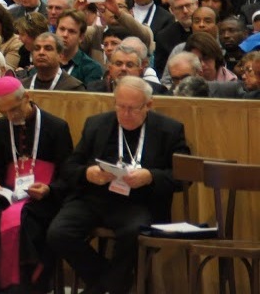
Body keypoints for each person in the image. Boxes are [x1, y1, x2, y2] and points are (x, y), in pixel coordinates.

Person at [47, 77, 189, 293]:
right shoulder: (97, 124)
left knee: (133, 233)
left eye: (132, 108)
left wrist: (151, 176)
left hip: (139, 202)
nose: (125, 114)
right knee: (58, 233)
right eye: (120, 107)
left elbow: (183, 178)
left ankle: (102, 287)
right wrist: (88, 173)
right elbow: (69, 167)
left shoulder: (169, 130)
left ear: (149, 105)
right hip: (94, 198)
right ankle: (111, 283)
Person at [0, 76, 73, 292]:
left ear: (27, 97)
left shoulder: (56, 127)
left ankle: (23, 285)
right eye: (4, 112)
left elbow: (68, 176)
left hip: (42, 198)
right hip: (9, 194)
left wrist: (49, 190)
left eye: (14, 109)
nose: (11, 116)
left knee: (26, 219)